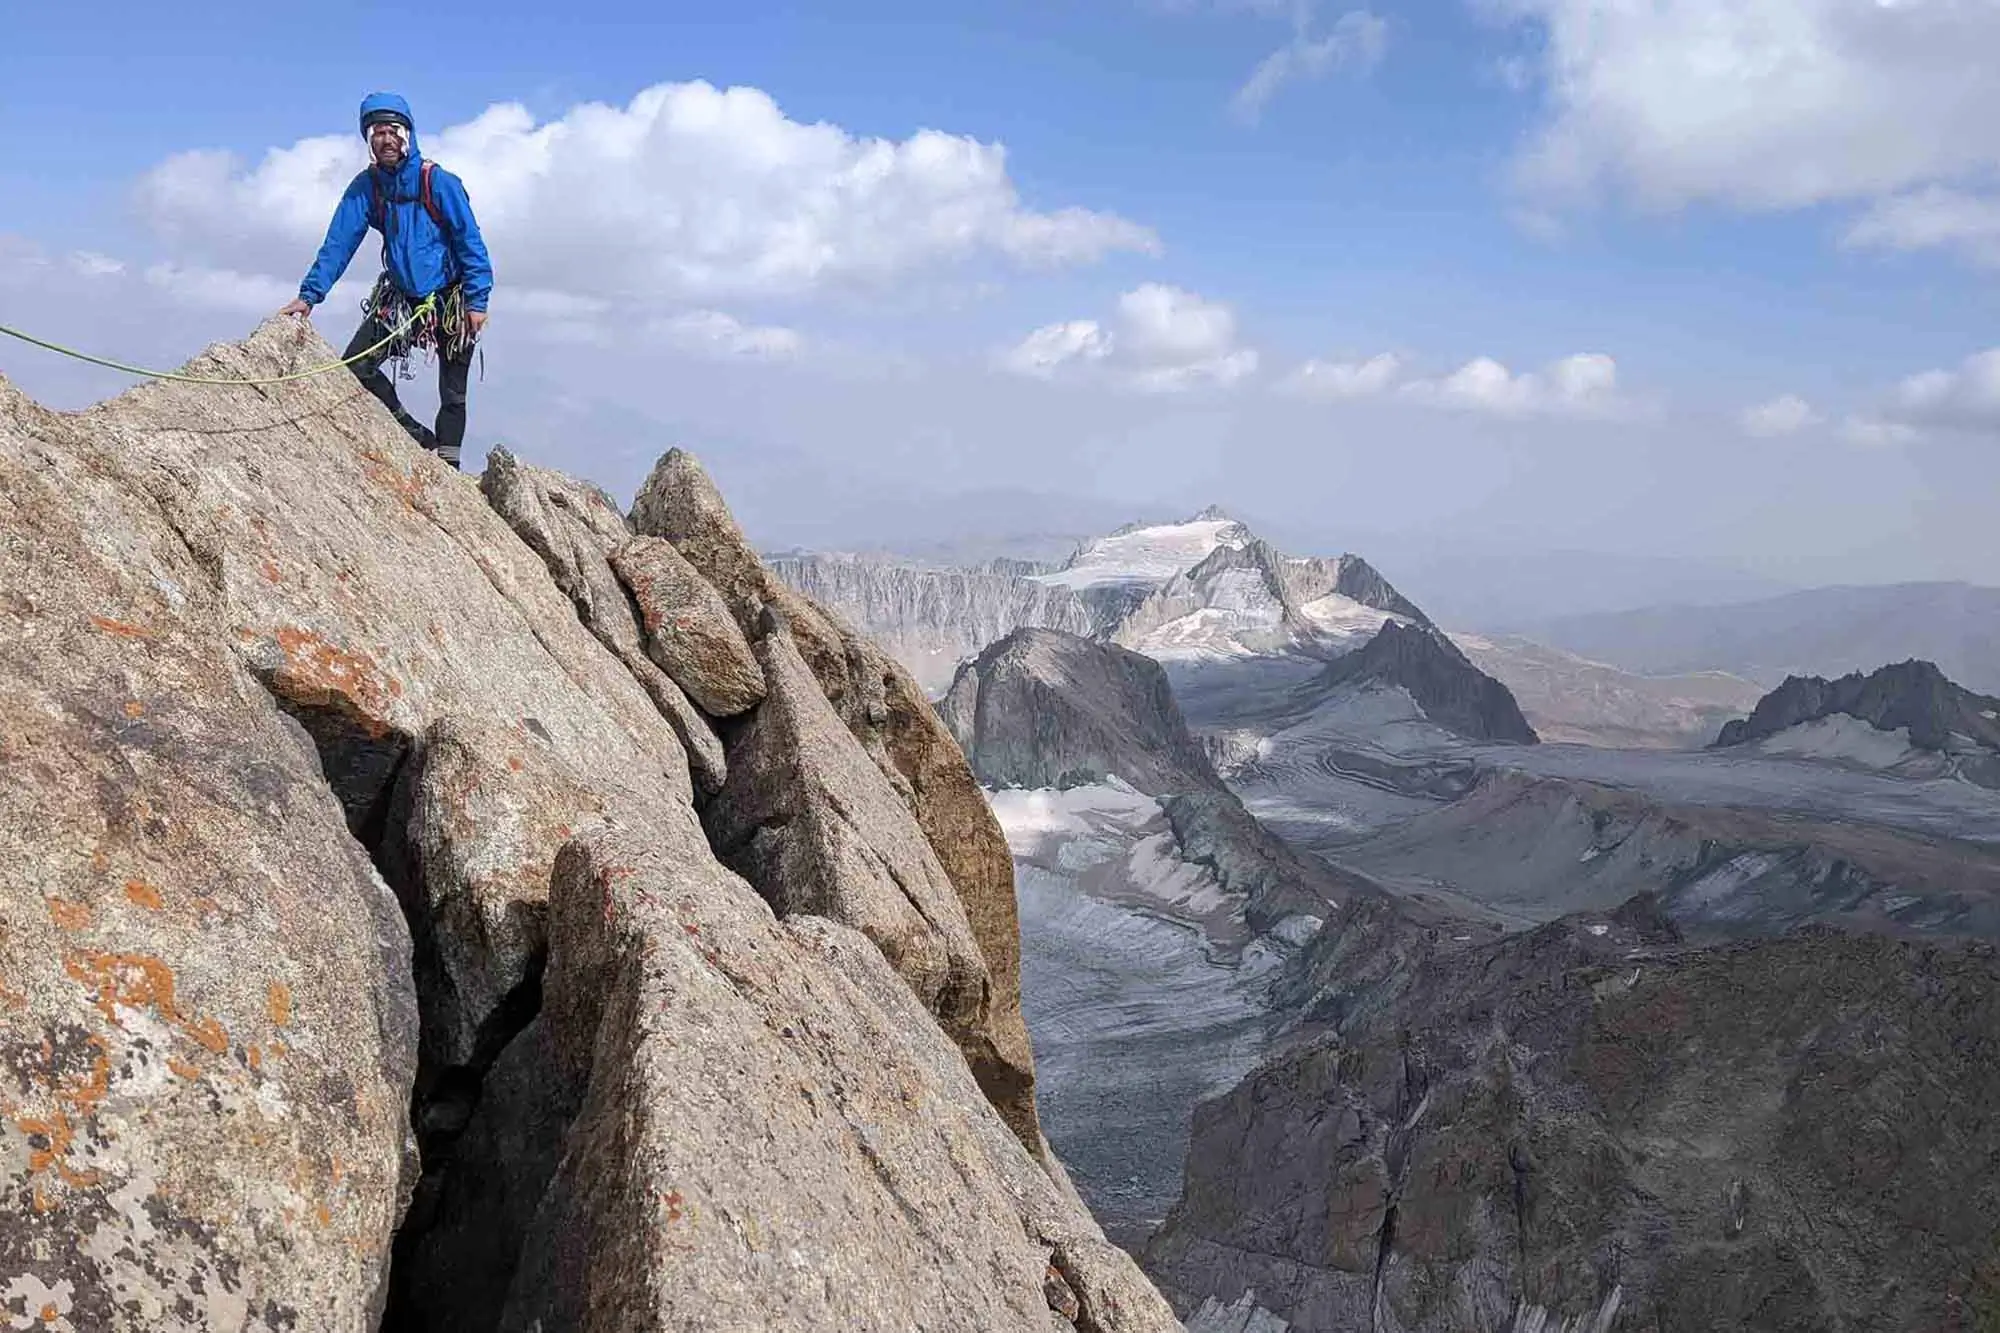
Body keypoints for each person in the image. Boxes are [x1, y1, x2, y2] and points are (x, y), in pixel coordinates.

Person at [280, 92, 494, 469]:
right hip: (402, 299)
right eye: (377, 133)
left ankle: (449, 468)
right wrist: (309, 295)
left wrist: (477, 301)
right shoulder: (369, 187)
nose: (385, 139)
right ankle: (415, 435)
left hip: (452, 299)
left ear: (407, 134)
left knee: (453, 393)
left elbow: (469, 241)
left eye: (393, 130)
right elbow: (339, 241)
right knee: (356, 367)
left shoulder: (438, 182)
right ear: (369, 141)